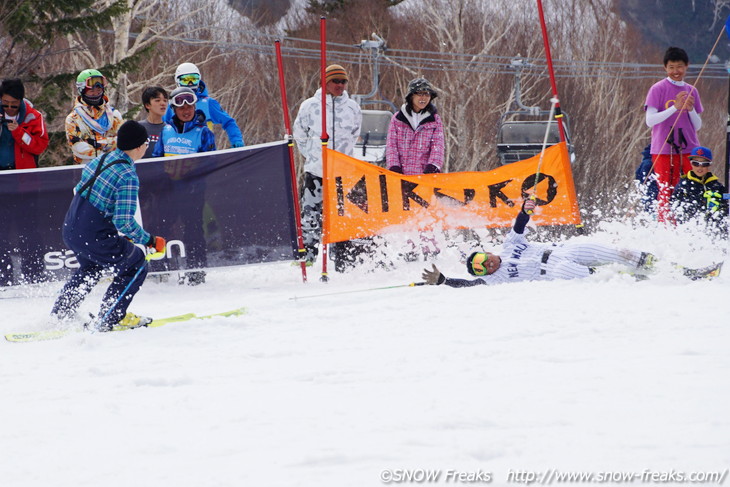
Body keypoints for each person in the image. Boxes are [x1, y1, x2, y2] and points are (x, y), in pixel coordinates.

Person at [51, 120, 166, 331]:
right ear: (139, 146)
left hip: (71, 226)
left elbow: (81, 192)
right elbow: (124, 221)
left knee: (91, 267)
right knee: (137, 264)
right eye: (146, 144)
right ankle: (110, 317)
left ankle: (61, 313)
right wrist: (149, 240)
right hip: (94, 234)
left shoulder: (101, 159)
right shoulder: (127, 175)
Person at [421, 199, 657, 287]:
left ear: (486, 253)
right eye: (482, 268)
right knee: (587, 275)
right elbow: (468, 285)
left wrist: (525, 210)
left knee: (603, 250)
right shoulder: (495, 278)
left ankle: (647, 261)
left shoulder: (509, 247)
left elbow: (519, 226)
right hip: (552, 269)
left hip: (561, 251)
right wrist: (445, 281)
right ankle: (631, 278)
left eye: (483, 260)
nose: (488, 265)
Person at [293, 64, 362, 265]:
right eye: (335, 81)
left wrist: (342, 158)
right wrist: (313, 157)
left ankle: (342, 256)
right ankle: (308, 255)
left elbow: (354, 135)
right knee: (311, 215)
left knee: (342, 215)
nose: (340, 85)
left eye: (343, 81)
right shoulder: (309, 106)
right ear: (325, 82)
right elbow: (300, 134)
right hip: (317, 171)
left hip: (342, 173)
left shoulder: (353, 108)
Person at [152, 87, 216, 285]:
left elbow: (211, 161)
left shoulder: (203, 132)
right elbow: (156, 157)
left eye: (189, 105)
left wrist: (193, 173)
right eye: (181, 106)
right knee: (161, 226)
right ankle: (159, 269)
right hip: (168, 189)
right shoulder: (166, 130)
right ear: (174, 108)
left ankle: (196, 270)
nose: (186, 109)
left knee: (193, 228)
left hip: (192, 190)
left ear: (195, 106)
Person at [644, 46, 703, 222]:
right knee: (666, 187)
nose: (675, 71)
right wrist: (674, 108)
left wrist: (690, 110)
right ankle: (666, 224)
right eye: (671, 67)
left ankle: (691, 221)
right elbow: (650, 120)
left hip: (689, 147)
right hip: (663, 146)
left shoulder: (692, 90)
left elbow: (697, 125)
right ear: (665, 68)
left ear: (686, 66)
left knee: (693, 185)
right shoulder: (657, 89)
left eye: (679, 67)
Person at [163, 62, 244, 148]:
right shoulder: (172, 104)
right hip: (178, 149)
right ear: (177, 81)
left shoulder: (207, 103)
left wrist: (236, 140)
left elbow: (228, 122)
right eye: (185, 80)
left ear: (199, 79)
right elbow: (161, 127)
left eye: (194, 79)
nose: (190, 83)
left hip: (204, 150)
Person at [385, 77, 445, 175]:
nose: (423, 98)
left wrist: (433, 166)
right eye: (420, 94)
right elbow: (391, 145)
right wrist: (394, 166)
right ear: (411, 96)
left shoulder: (434, 120)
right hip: (401, 175)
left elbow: (438, 146)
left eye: (427, 94)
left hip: (425, 177)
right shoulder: (398, 118)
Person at [65, 69, 124, 164]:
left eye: (99, 89)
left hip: (113, 166)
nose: (96, 93)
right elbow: (78, 148)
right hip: (87, 168)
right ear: (82, 90)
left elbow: (122, 141)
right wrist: (106, 150)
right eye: (91, 90)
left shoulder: (113, 115)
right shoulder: (73, 119)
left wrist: (99, 143)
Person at [670, 146, 727, 231]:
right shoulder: (684, 184)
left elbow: (726, 199)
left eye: (704, 164)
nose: (699, 168)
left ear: (709, 165)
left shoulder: (716, 185)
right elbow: (674, 204)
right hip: (691, 228)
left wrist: (719, 203)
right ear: (691, 164)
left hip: (714, 228)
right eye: (696, 164)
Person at [0, 78, 49, 170]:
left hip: (22, 173)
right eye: (5, 103)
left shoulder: (34, 117)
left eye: (14, 104)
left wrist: (18, 132)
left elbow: (39, 147)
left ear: (20, 100)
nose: (9, 107)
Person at [138, 86, 168, 158]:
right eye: (157, 100)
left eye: (165, 100)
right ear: (147, 105)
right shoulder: (138, 128)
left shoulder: (169, 130)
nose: (163, 103)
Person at [634, 143, 659, 215]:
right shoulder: (649, 164)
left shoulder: (645, 162)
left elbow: (638, 176)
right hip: (653, 194)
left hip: (647, 196)